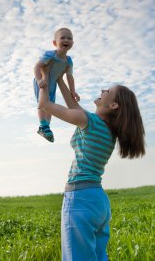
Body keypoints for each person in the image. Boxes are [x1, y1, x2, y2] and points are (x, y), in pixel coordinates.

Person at [38, 74, 145, 261]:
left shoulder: (88, 120)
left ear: (113, 105)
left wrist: (43, 83)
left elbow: (46, 105)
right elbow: (73, 106)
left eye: (108, 91)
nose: (103, 91)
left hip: (80, 199)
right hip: (98, 202)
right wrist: (60, 78)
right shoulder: (108, 130)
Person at [33, 28, 80, 143]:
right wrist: (39, 80)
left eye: (69, 38)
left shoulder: (68, 61)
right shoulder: (50, 55)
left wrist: (73, 91)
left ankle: (46, 127)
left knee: (51, 105)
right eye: (62, 37)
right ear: (55, 43)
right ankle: (43, 125)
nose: (66, 40)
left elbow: (69, 77)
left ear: (72, 43)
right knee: (42, 103)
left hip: (53, 83)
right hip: (42, 81)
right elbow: (37, 67)